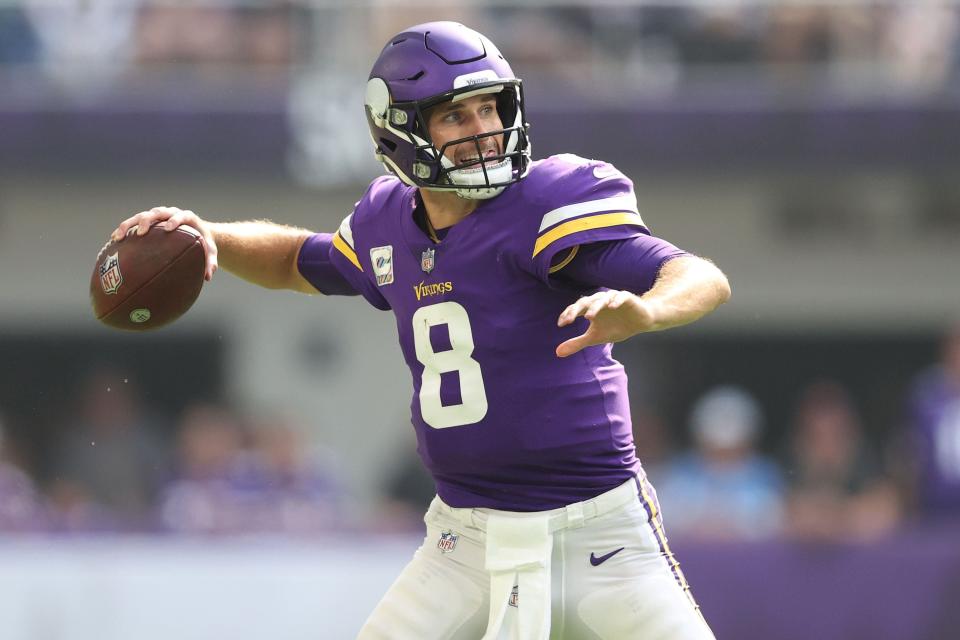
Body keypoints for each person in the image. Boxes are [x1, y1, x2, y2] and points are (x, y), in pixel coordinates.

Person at [111, 21, 729, 640]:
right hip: (464, 540)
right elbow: (297, 259)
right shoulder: (387, 222)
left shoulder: (544, 202)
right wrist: (208, 236)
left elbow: (696, 275)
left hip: (598, 536)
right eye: (455, 118)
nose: (484, 130)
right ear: (400, 131)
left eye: (490, 108)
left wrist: (649, 310)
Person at [655, 386, 785, 541]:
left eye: (731, 452)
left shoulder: (766, 475)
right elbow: (664, 517)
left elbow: (776, 520)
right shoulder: (678, 472)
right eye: (715, 451)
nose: (723, 460)